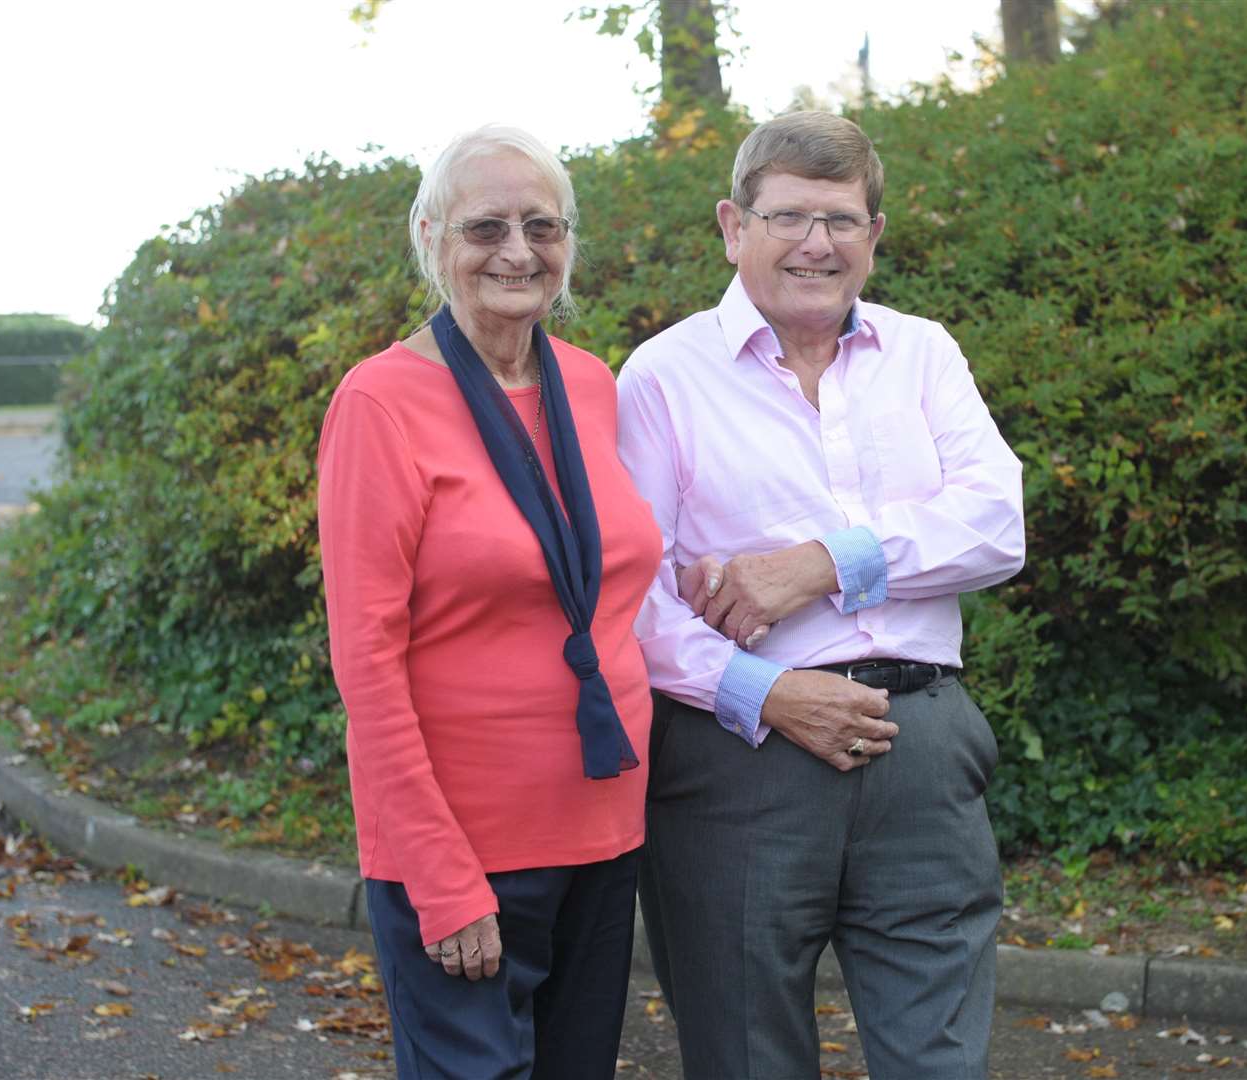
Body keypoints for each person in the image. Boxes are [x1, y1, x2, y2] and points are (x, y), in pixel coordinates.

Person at [615, 110, 1026, 1080]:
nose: (816, 243)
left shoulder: (923, 353)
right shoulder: (664, 379)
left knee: (941, 1063)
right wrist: (764, 693)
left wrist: (821, 564)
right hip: (739, 762)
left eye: (842, 220)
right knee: (747, 1056)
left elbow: (997, 525)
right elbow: (631, 598)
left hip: (920, 745)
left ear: (875, 237)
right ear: (732, 226)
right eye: (789, 216)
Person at [317, 125, 662, 1080]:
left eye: (541, 225)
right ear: (430, 238)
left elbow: (610, 583)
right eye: (485, 228)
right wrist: (436, 873)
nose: (517, 251)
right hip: (464, 849)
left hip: (603, 828)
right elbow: (366, 662)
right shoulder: (378, 403)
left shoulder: (591, 385)